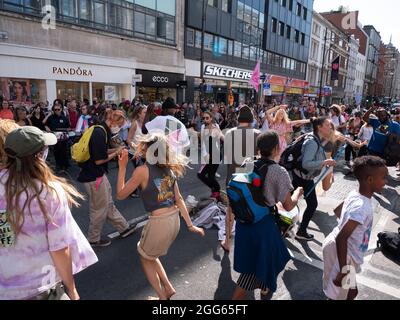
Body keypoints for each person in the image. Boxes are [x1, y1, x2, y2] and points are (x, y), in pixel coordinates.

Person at [0, 126, 98, 300]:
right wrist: (72, 289)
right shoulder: (49, 191)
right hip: (42, 288)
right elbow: (60, 248)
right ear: (39, 155)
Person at [116, 133, 205, 300]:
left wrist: (122, 167)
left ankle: (161, 297)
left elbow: (120, 195)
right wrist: (190, 224)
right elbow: (178, 199)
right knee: (150, 255)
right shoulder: (168, 168)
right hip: (174, 220)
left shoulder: (142, 171)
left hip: (159, 223)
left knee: (145, 257)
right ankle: (168, 287)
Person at [232, 131, 304, 300]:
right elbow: (288, 205)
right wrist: (298, 193)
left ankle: (265, 285)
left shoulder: (247, 163)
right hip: (263, 225)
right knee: (253, 270)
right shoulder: (278, 171)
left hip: (244, 221)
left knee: (261, 259)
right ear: (276, 149)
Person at [323, 156, 388, 300]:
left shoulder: (355, 195)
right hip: (342, 255)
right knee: (338, 295)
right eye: (383, 178)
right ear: (370, 180)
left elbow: (337, 210)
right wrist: (343, 270)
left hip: (342, 251)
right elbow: (342, 237)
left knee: (351, 293)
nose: (386, 182)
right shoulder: (362, 207)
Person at [77, 109, 136, 247]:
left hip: (96, 175)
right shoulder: (100, 132)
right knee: (99, 209)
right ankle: (93, 238)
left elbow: (100, 152)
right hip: (94, 176)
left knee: (107, 204)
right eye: (119, 125)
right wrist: (116, 153)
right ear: (113, 121)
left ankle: (124, 228)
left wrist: (116, 149)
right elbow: (99, 159)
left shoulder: (100, 130)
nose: (119, 129)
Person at [221, 105, 260, 252]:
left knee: (230, 209)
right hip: (251, 179)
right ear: (250, 120)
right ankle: (251, 243)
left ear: (239, 119)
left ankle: (227, 241)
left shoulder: (230, 133)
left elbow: (226, 157)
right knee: (252, 209)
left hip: (233, 178)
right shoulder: (258, 134)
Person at [292, 117, 337, 240]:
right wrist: (324, 161)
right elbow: (306, 163)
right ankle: (297, 230)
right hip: (302, 177)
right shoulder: (312, 141)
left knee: (294, 202)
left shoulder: (316, 139)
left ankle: (297, 230)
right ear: (319, 127)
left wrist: (324, 162)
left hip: (303, 176)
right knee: (307, 204)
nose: (330, 127)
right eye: (327, 125)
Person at [198, 111, 224, 200]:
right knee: (203, 175)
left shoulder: (215, 128)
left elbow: (221, 136)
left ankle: (216, 190)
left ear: (211, 118)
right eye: (204, 118)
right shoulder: (203, 128)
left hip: (216, 155)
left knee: (208, 175)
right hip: (208, 155)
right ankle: (215, 191)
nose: (205, 120)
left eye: (207, 118)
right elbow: (203, 142)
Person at [43, 102, 71, 172]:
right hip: (54, 137)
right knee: (56, 152)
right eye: (55, 110)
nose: (57, 111)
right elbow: (45, 124)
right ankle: (58, 165)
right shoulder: (51, 118)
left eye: (58, 109)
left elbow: (68, 127)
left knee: (64, 151)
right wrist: (46, 127)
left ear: (61, 109)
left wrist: (67, 130)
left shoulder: (64, 118)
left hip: (63, 137)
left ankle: (65, 166)